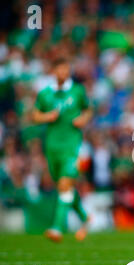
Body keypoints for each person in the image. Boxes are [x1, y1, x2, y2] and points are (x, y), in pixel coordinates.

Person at [32, 58, 92, 242]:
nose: (64, 73)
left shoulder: (78, 91)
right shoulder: (45, 94)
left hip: (72, 146)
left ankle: (56, 228)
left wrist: (83, 119)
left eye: (66, 70)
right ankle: (84, 217)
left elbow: (88, 110)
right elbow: (35, 115)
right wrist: (46, 117)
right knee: (62, 186)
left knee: (65, 184)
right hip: (52, 147)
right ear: (54, 71)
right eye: (60, 70)